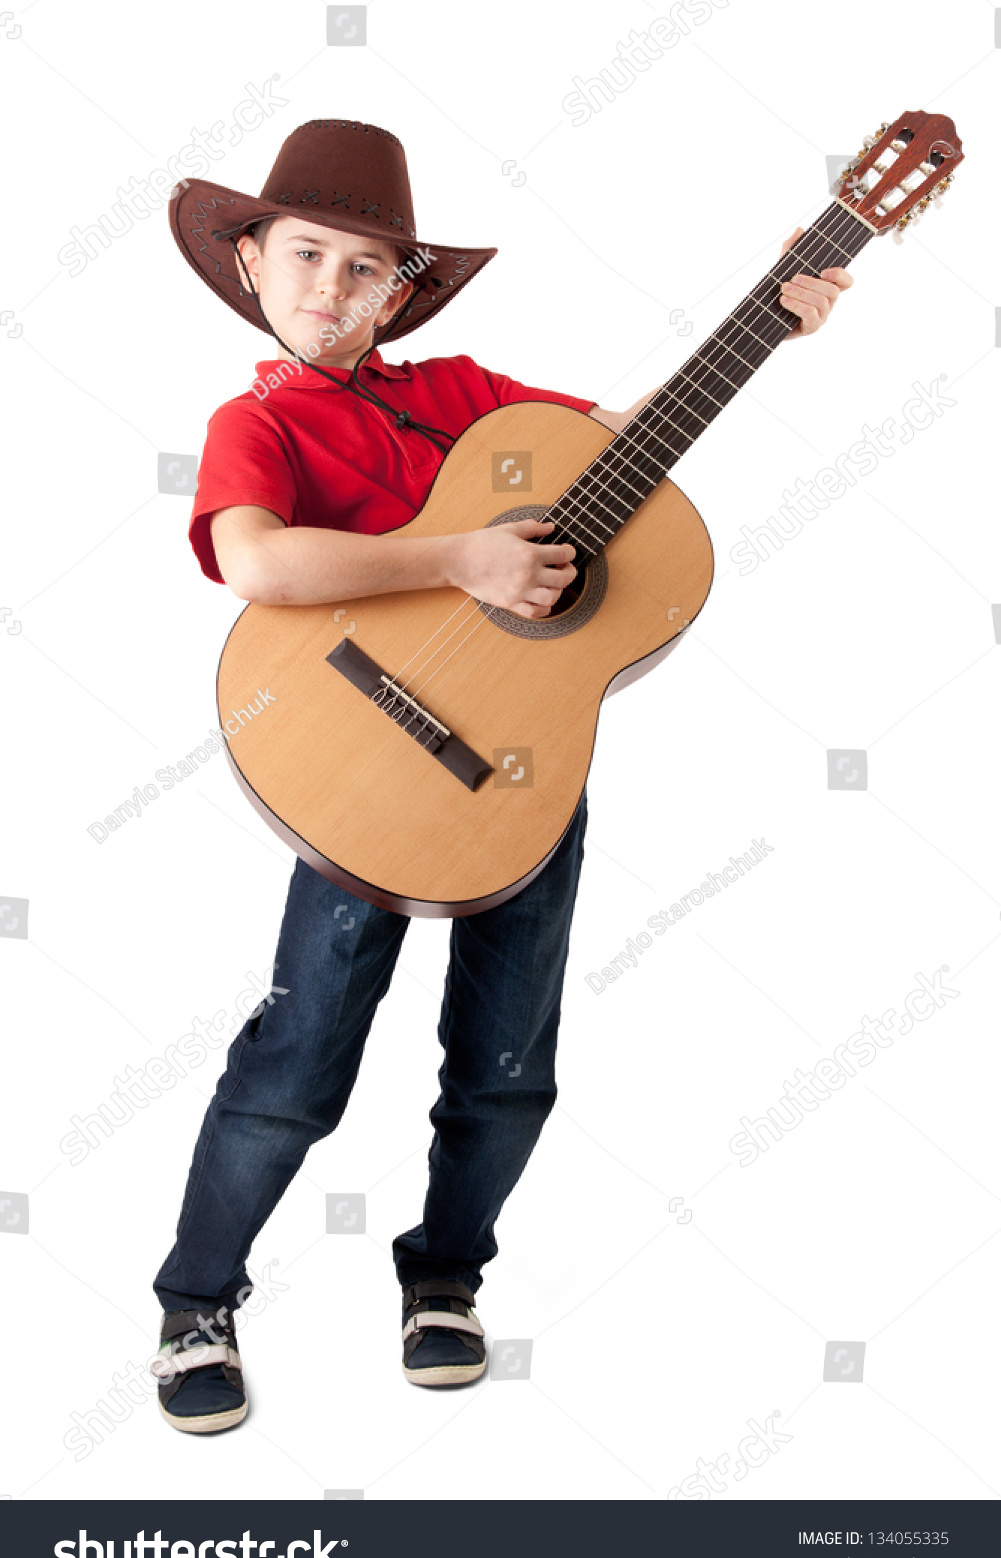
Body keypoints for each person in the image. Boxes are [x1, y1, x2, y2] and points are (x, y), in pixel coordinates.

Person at [151, 118, 853, 1432]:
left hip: (524, 772)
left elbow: (622, 440)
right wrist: (461, 560)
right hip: (358, 773)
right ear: (249, 260)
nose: (332, 290)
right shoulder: (259, 419)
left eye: (369, 270)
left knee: (510, 1059)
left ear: (401, 291)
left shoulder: (461, 394)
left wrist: (770, 317)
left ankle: (445, 1282)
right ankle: (196, 1300)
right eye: (307, 255)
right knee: (299, 1058)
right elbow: (258, 563)